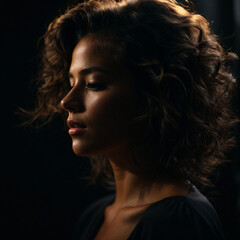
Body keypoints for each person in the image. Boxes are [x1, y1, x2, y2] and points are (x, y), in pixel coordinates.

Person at [26, 0, 239, 239]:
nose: (67, 101)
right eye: (71, 83)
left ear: (153, 94)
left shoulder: (180, 220)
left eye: (94, 84)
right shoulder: (93, 217)